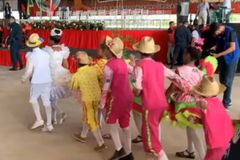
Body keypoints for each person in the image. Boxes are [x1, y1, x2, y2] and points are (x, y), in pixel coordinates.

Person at [132, 36, 189, 160]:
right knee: (153, 131)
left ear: (139, 51)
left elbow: (137, 87)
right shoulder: (159, 65)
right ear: (153, 52)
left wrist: (134, 93)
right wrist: (186, 87)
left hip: (149, 104)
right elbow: (175, 77)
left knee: (150, 139)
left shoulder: (139, 66)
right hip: (161, 103)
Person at [166, 46, 205, 159]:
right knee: (191, 127)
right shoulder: (200, 72)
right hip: (197, 102)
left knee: (193, 130)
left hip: (184, 104)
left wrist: (165, 97)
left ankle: (203, 156)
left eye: (184, 53)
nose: (183, 55)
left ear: (188, 55)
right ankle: (190, 150)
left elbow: (173, 87)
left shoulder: (181, 70)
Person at [99, 36, 134, 160]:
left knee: (111, 122)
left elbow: (106, 87)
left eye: (106, 49)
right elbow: (133, 71)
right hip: (128, 96)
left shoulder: (109, 66)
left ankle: (119, 149)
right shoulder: (123, 62)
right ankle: (129, 152)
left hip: (117, 98)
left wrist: (102, 102)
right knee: (125, 124)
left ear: (109, 51)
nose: (104, 51)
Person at [71, 51, 107, 152]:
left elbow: (73, 87)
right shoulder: (94, 68)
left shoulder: (77, 75)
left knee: (91, 120)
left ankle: (101, 143)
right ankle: (83, 135)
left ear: (77, 63)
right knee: (88, 116)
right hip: (97, 96)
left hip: (87, 100)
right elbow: (102, 79)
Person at [192, 76, 234, 160]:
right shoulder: (217, 101)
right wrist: (200, 120)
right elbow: (214, 118)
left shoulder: (204, 103)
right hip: (227, 137)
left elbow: (199, 103)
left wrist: (194, 94)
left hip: (217, 142)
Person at [21, 33, 54, 132]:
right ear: (39, 44)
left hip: (37, 81)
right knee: (46, 101)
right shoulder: (46, 54)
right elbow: (50, 66)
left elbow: (29, 71)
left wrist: (23, 78)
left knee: (33, 99)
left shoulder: (31, 56)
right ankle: (49, 124)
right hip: (47, 80)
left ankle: (39, 120)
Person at [43, 28, 71, 125]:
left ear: (50, 39)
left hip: (49, 75)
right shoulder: (63, 50)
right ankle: (53, 119)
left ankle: (60, 113)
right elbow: (66, 65)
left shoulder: (46, 50)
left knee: (49, 98)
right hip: (60, 74)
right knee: (54, 98)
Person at [210, 23, 240, 109]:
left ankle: (226, 104)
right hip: (224, 57)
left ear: (219, 29)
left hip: (232, 58)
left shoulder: (231, 32)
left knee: (227, 81)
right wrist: (214, 47)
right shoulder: (220, 33)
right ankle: (228, 100)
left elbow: (232, 48)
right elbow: (219, 43)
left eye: (215, 33)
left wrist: (218, 55)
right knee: (222, 80)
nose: (215, 35)